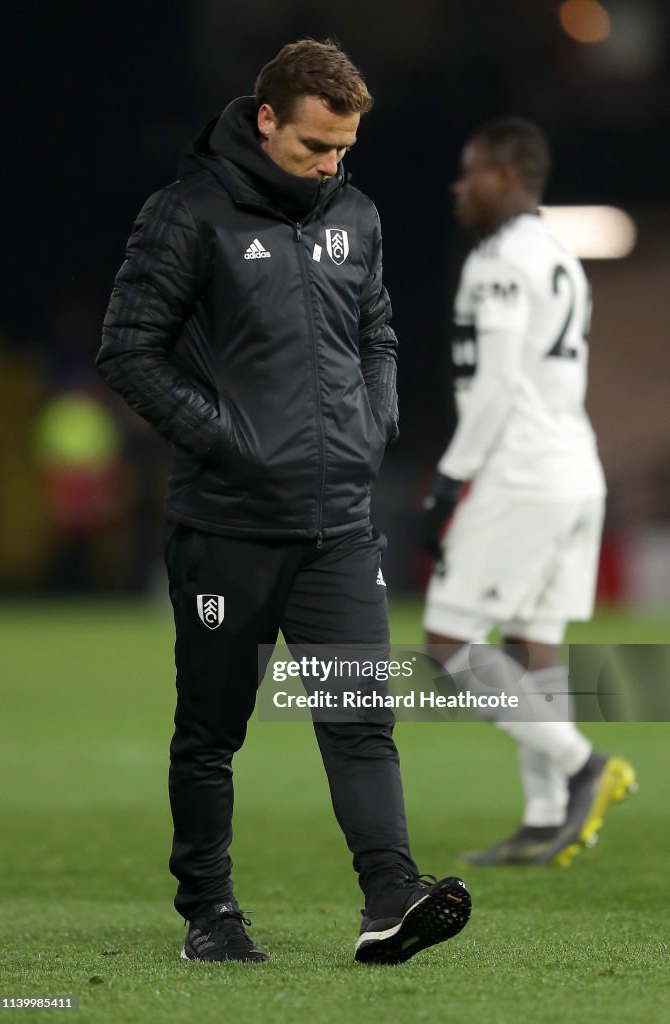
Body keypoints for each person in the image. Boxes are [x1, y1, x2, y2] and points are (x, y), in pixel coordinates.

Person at [98, 39, 471, 963]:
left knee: (360, 721)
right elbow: (128, 351)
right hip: (226, 527)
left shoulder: (356, 213)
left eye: (344, 148)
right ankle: (210, 914)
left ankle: (390, 898)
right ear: (266, 120)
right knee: (212, 731)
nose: (330, 165)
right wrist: (232, 440)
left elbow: (377, 331)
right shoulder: (187, 214)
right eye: (314, 146)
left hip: (338, 527)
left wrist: (372, 419)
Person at [420, 118, 636, 866]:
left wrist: (449, 478)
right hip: (576, 470)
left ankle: (583, 767)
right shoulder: (558, 256)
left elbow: (499, 384)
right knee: (533, 646)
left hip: (521, 473)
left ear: (506, 177)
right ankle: (547, 817)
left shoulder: (499, 260)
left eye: (470, 172)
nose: (459, 186)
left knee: (448, 643)